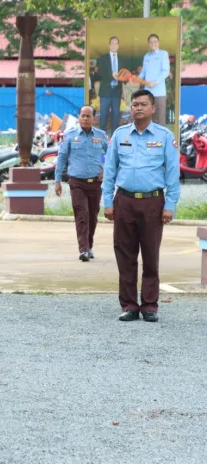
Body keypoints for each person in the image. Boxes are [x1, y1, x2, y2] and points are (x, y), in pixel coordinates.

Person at [101, 89, 180, 323]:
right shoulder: (120, 135)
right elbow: (109, 172)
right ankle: (129, 305)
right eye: (135, 104)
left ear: (153, 108)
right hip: (123, 201)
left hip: (153, 202)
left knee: (150, 255)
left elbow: (173, 174)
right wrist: (107, 202)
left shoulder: (165, 136)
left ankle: (149, 305)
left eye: (143, 104)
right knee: (125, 255)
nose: (138, 108)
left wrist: (170, 205)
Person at [55, 105, 107, 262]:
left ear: (94, 118)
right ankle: (83, 249)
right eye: (82, 115)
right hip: (77, 182)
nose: (85, 118)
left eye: (88, 116)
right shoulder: (70, 135)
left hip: (95, 183)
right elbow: (62, 158)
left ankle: (89, 246)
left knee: (92, 216)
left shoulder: (101, 135)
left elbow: (112, 154)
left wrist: (106, 172)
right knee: (82, 214)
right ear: (78, 117)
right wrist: (57, 181)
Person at [138, 34, 170, 126]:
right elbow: (143, 73)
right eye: (151, 42)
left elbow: (165, 71)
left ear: (158, 43)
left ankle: (161, 140)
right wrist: (136, 79)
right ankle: (149, 140)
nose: (153, 43)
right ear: (149, 44)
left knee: (160, 120)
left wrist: (155, 82)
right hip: (147, 94)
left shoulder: (163, 54)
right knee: (148, 119)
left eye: (155, 41)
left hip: (159, 93)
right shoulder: (146, 56)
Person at [97, 37, 125, 134]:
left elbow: (124, 74)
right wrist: (111, 75)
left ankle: (114, 138)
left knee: (116, 116)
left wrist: (126, 79)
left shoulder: (122, 59)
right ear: (109, 45)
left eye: (116, 43)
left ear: (118, 46)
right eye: (112, 43)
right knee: (103, 115)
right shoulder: (102, 58)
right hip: (105, 91)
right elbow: (100, 72)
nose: (114, 45)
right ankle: (101, 138)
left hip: (117, 91)